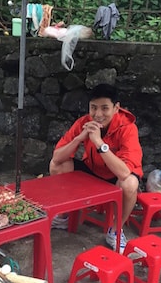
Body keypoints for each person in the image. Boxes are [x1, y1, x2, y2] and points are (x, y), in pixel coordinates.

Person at [49, 83, 143, 251]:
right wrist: (79, 138)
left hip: (115, 175)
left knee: (130, 183)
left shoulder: (128, 128)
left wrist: (99, 142)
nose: (98, 114)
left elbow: (123, 172)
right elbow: (56, 158)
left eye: (105, 108)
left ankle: (115, 230)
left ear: (116, 108)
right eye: (93, 108)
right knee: (58, 165)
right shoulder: (84, 122)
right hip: (92, 170)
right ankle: (63, 216)